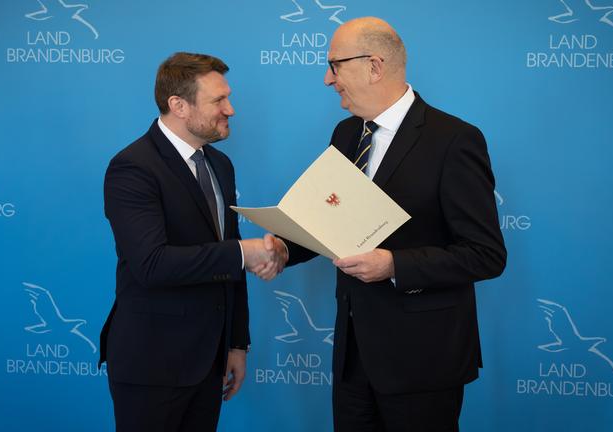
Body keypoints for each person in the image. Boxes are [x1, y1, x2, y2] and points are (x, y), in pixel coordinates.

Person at [271, 17, 507, 431]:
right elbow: (333, 224)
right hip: (353, 359)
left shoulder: (454, 140)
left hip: (424, 362)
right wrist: (284, 249)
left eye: (335, 65)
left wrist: (394, 265)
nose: (328, 79)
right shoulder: (345, 134)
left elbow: (485, 254)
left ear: (374, 66)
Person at [99, 52, 279, 432]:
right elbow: (151, 264)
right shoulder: (133, 167)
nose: (230, 109)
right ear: (178, 105)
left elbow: (231, 261)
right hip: (152, 364)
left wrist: (236, 343)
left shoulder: (220, 164)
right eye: (219, 100)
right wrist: (242, 252)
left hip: (209, 361)